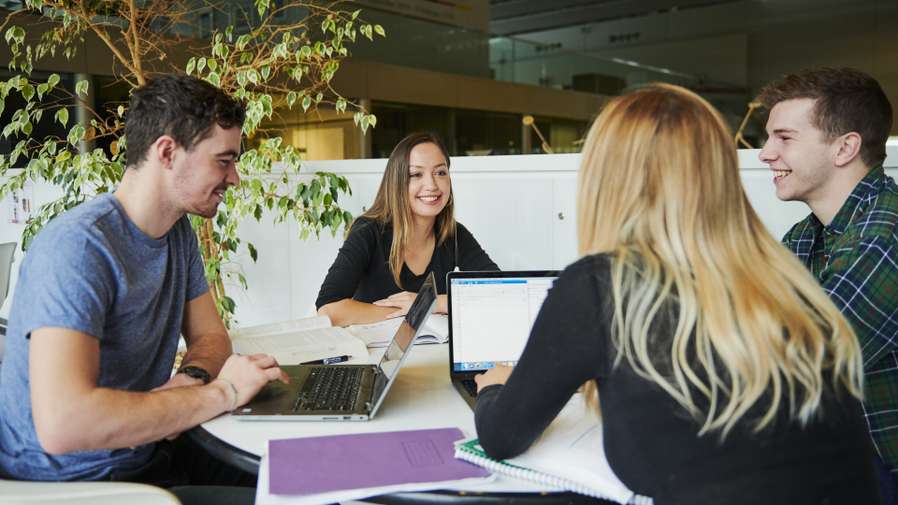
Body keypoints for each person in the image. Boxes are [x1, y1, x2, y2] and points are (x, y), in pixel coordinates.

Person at [473, 83, 878, 505]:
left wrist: (492, 388)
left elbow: (502, 436)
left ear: (606, 180)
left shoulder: (602, 286)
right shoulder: (782, 276)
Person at [0, 75, 286, 496]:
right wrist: (222, 391)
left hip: (149, 449)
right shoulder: (77, 248)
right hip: (78, 482)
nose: (235, 178)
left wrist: (187, 382)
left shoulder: (177, 232)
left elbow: (210, 337)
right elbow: (64, 424)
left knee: (309, 478)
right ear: (167, 152)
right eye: (224, 160)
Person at [757, 67, 897, 502]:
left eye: (784, 138)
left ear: (845, 148)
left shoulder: (887, 232)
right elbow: (753, 324)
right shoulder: (806, 235)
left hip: (881, 462)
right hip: (835, 449)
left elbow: (814, 357)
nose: (765, 153)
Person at [316, 132, 498, 327]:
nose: (432, 185)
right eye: (416, 174)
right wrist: (413, 310)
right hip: (373, 354)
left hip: (432, 351)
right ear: (397, 182)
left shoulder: (453, 233)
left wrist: (432, 302)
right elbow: (329, 310)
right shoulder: (368, 231)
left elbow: (500, 292)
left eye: (440, 172)